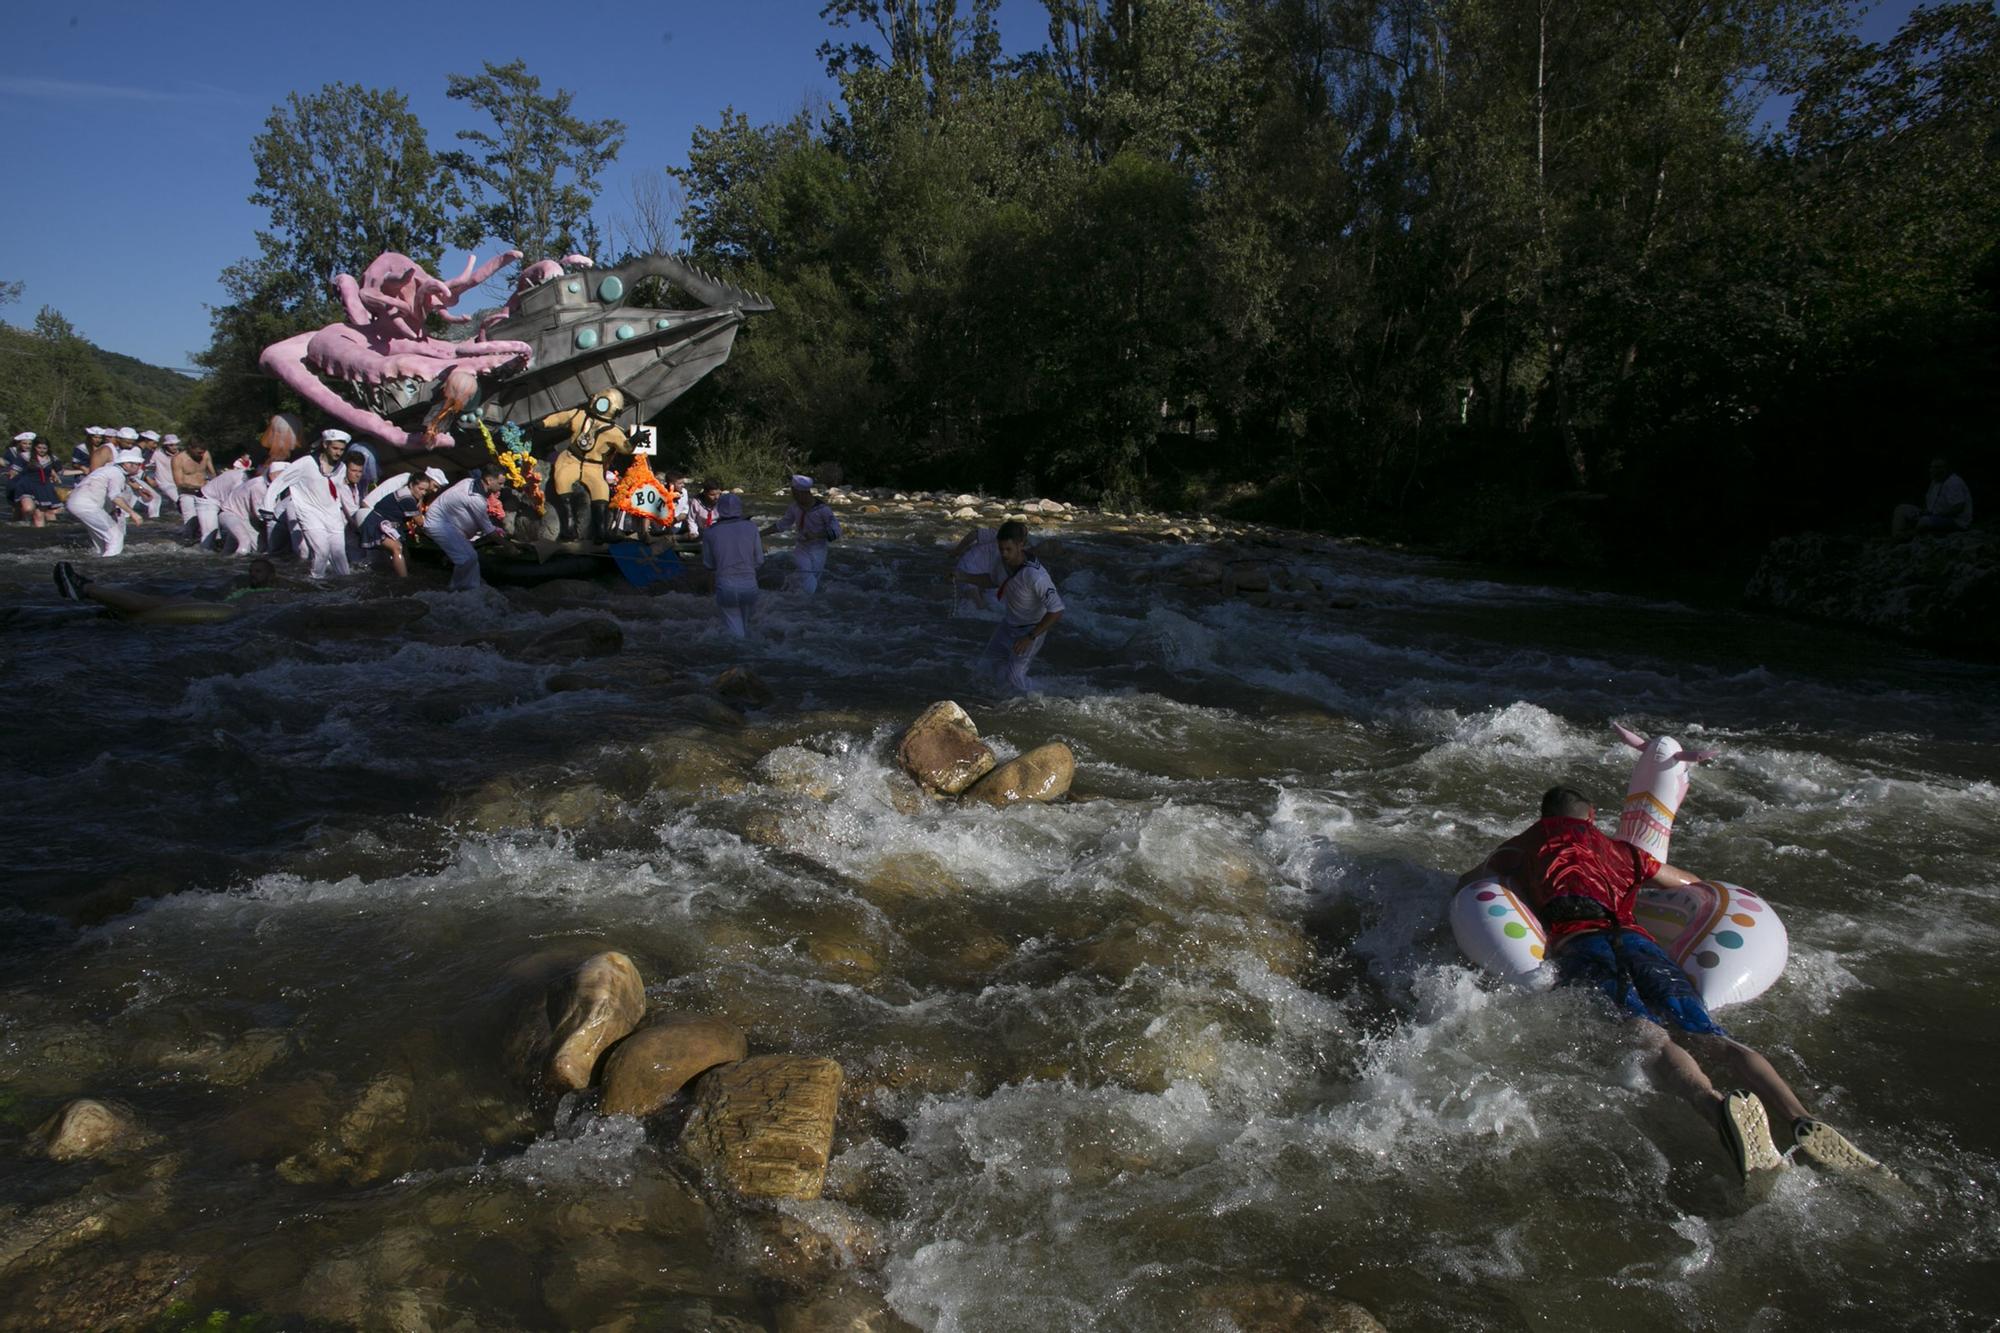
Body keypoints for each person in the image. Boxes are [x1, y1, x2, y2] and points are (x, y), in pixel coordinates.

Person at [1457, 785, 1893, 1181]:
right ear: (1592, 816)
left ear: (1542, 814)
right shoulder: (1620, 849)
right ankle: (1801, 1117)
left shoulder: (1526, 843)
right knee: (1708, 1033)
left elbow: (1470, 882)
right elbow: (1687, 883)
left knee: (1649, 1035)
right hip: (1641, 943)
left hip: (1582, 945)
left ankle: (1714, 1105)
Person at [976, 520, 1064, 692]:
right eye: (1001, 549)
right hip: (1008, 625)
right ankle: (995, 700)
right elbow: (992, 580)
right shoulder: (1002, 562)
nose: (1004, 554)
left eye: (1008, 549)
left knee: (1015, 678)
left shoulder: (1036, 576)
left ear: (1021, 545)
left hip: (1031, 630)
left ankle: (1044, 698)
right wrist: (962, 576)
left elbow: (1057, 610)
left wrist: (1029, 637)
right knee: (986, 666)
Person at [53, 556, 276, 623]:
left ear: (272, 576)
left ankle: (86, 588)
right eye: (252, 570)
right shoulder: (241, 586)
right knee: (152, 601)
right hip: (217, 606)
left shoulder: (278, 591)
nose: (253, 575)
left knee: (147, 606)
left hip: (228, 613)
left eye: (259, 572)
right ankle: (89, 590)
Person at [262, 429, 355, 579]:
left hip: (332, 515)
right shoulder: (305, 463)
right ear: (325, 445)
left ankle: (345, 586)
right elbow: (280, 482)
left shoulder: (341, 468)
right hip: (309, 513)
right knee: (322, 551)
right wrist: (267, 506)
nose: (338, 453)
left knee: (340, 556)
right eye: (335, 448)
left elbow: (336, 492)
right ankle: (316, 581)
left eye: (342, 450)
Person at [424, 464, 507, 590]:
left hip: (448, 523)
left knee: (472, 557)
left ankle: (471, 588)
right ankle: (456, 590)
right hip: (437, 524)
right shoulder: (476, 499)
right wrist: (509, 547)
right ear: (489, 480)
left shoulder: (469, 481)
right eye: (500, 483)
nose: (502, 487)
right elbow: (489, 531)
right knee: (466, 558)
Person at [356, 468, 444, 577]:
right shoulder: (406, 490)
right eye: (435, 486)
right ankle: (403, 581)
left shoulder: (413, 494)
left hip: (382, 520)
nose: (434, 491)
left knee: (401, 552)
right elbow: (420, 521)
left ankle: (401, 575)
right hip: (372, 517)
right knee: (396, 548)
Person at [763, 474, 841, 594]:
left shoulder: (823, 510)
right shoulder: (794, 507)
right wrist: (759, 533)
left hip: (818, 550)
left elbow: (836, 530)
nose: (793, 495)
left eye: (794, 492)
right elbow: (782, 525)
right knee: (806, 576)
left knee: (811, 580)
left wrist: (816, 535)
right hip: (801, 548)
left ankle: (798, 597)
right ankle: (800, 600)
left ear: (802, 492)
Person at [63, 447, 147, 556]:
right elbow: (115, 496)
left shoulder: (106, 470)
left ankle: (99, 559)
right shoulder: (116, 474)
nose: (139, 468)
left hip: (75, 502)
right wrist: (133, 513)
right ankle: (110, 566)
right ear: (126, 464)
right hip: (87, 506)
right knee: (116, 536)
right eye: (138, 465)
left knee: (102, 541)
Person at [701, 492, 764, 636]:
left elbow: (709, 564)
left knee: (735, 633)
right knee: (746, 626)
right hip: (750, 585)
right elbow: (759, 560)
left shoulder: (710, 532)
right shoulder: (751, 527)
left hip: (726, 586)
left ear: (719, 509)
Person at [1892, 456, 1973, 536]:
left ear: (1947, 469)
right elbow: (1930, 505)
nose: (1933, 470)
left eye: (1938, 467)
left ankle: (1910, 535)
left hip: (1956, 521)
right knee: (1901, 509)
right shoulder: (1935, 482)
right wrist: (1925, 512)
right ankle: (1898, 535)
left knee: (1924, 521)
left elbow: (1958, 507)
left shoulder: (1954, 482)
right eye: (1932, 467)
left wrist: (1936, 515)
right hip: (1934, 516)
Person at [948, 524, 1004, 617]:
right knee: (979, 607)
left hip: (981, 573)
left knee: (974, 601)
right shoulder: (996, 535)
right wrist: (956, 551)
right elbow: (973, 534)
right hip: (968, 567)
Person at [9, 437, 65, 527]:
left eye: (44, 448)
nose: (42, 450)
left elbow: (62, 472)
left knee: (39, 515)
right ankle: (24, 523)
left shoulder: (52, 458)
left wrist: (83, 471)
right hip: (27, 486)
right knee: (28, 509)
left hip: (43, 487)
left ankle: (39, 535)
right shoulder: (25, 456)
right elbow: (15, 470)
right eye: (39, 448)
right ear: (35, 447)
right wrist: (12, 474)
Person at [169, 437, 214, 529]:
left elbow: (212, 473)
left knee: (210, 522)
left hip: (205, 493)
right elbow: (179, 483)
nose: (201, 455)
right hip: (187, 494)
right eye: (199, 452)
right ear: (190, 448)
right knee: (191, 523)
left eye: (203, 452)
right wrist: (200, 487)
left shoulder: (206, 454)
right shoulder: (178, 459)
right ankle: (188, 539)